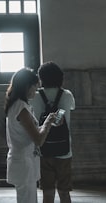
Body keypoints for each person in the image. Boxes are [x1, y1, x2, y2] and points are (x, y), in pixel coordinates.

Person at [4, 67, 57, 203]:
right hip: (23, 162)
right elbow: (38, 139)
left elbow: (30, 132)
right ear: (26, 86)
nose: (36, 90)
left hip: (22, 160)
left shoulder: (16, 105)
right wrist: (48, 123)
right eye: (34, 87)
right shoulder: (21, 108)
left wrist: (45, 124)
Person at [29, 62, 76, 203]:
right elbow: (72, 107)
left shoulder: (35, 96)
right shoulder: (67, 95)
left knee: (47, 193)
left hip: (43, 149)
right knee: (64, 192)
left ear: (41, 78)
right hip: (64, 150)